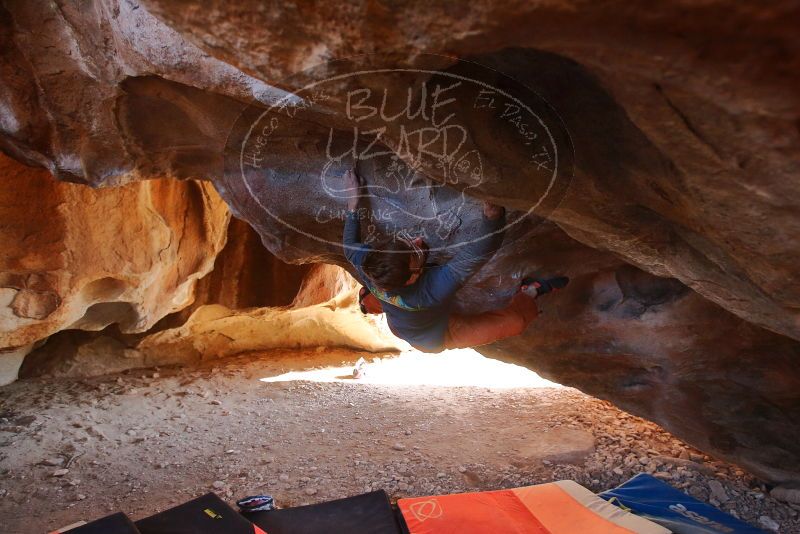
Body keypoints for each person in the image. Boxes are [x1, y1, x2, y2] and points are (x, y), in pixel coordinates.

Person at [341, 168, 567, 352]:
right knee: (516, 323)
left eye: (408, 245)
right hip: (436, 335)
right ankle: (531, 291)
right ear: (412, 280)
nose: (418, 241)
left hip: (398, 322)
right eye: (416, 256)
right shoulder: (432, 290)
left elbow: (349, 241)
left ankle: (368, 300)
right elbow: (481, 250)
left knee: (385, 301)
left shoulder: (364, 262)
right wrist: (492, 215)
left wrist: (353, 199)